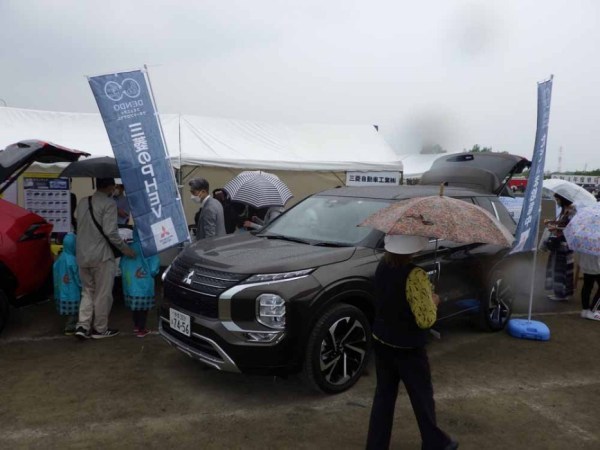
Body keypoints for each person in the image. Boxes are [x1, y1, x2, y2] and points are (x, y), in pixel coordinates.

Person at [366, 234, 457, 450]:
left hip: (382, 340)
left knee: (384, 397)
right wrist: (433, 300)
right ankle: (435, 442)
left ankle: (376, 446)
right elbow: (425, 320)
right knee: (421, 397)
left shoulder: (382, 266)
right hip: (408, 348)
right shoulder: (415, 274)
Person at [74, 177, 136, 340]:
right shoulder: (109, 204)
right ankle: (100, 329)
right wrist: (126, 250)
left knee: (87, 291)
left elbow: (79, 223)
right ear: (110, 187)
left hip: (82, 254)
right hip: (101, 256)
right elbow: (111, 233)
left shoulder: (82, 202)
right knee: (103, 293)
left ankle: (82, 325)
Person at [120, 228, 160, 337]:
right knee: (143, 309)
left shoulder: (129, 247)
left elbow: (122, 265)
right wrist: (153, 273)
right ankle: (142, 329)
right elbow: (154, 267)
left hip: (131, 285)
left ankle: (137, 326)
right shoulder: (149, 247)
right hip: (144, 284)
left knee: (135, 308)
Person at [543, 194, 576, 301]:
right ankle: (560, 293)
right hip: (560, 243)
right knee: (559, 268)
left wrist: (555, 227)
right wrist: (552, 223)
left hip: (564, 244)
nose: (556, 202)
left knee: (561, 269)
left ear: (563, 199)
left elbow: (569, 227)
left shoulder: (571, 211)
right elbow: (562, 224)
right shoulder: (564, 210)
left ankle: (561, 294)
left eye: (557, 199)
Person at [53, 233, 81, 335]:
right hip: (73, 291)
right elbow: (77, 276)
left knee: (69, 311)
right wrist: (82, 285)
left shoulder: (61, 257)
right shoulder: (72, 260)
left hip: (62, 290)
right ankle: (70, 328)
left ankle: (70, 325)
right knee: (74, 312)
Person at [576, 251, 600, 321]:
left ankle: (585, 309)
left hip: (586, 265)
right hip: (597, 266)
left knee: (587, 286)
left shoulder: (583, 240)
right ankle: (593, 311)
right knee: (587, 286)